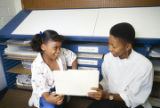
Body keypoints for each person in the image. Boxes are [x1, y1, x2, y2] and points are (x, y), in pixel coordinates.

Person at [88, 22, 153, 108]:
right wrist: (99, 87)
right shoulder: (108, 58)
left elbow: (133, 98)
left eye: (114, 46)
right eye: (109, 44)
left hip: (133, 104)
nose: (109, 49)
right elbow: (106, 81)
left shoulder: (144, 66)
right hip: (110, 98)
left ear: (127, 47)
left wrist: (106, 96)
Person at [28, 30, 77, 108]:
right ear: (43, 47)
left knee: (60, 103)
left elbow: (73, 57)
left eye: (59, 47)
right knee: (50, 106)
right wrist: (48, 98)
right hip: (45, 91)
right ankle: (35, 96)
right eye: (55, 48)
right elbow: (43, 90)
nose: (58, 51)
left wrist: (73, 72)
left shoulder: (61, 52)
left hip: (60, 87)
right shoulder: (37, 66)